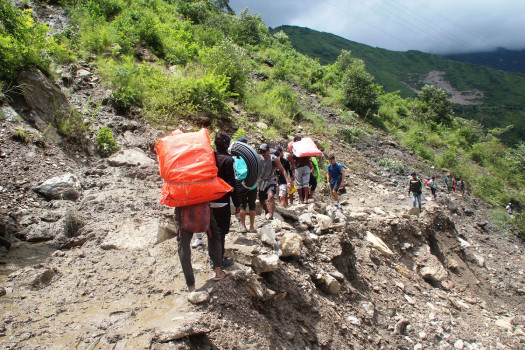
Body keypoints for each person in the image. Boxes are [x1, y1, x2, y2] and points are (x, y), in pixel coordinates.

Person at [176, 203, 228, 292]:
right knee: (213, 236)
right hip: (203, 207)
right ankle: (218, 271)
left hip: (183, 208)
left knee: (183, 244)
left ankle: (190, 285)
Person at [209, 132, 240, 267]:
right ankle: (219, 260)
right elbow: (232, 184)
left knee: (211, 230)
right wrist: (237, 203)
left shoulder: (210, 157)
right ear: (227, 145)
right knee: (221, 231)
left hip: (208, 198)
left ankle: (213, 258)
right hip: (222, 200)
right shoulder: (228, 160)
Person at [258, 143, 290, 220]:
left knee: (271, 196)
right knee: (261, 200)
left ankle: (271, 216)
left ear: (268, 151)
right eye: (261, 152)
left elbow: (282, 170)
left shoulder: (274, 159)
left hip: (271, 180)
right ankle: (266, 211)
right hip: (261, 181)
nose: (262, 154)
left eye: (264, 152)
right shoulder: (258, 158)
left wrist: (287, 181)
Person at [234, 137, 257, 233]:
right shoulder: (251, 155)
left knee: (242, 205)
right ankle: (251, 227)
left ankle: (243, 227)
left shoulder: (234, 157)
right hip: (252, 182)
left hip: (240, 182)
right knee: (252, 205)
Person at [288, 136, 313, 204]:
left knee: (299, 184)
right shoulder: (305, 147)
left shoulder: (296, 148)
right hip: (307, 166)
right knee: (306, 183)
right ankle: (306, 199)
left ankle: (301, 200)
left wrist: (293, 164)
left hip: (298, 167)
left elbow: (290, 156)